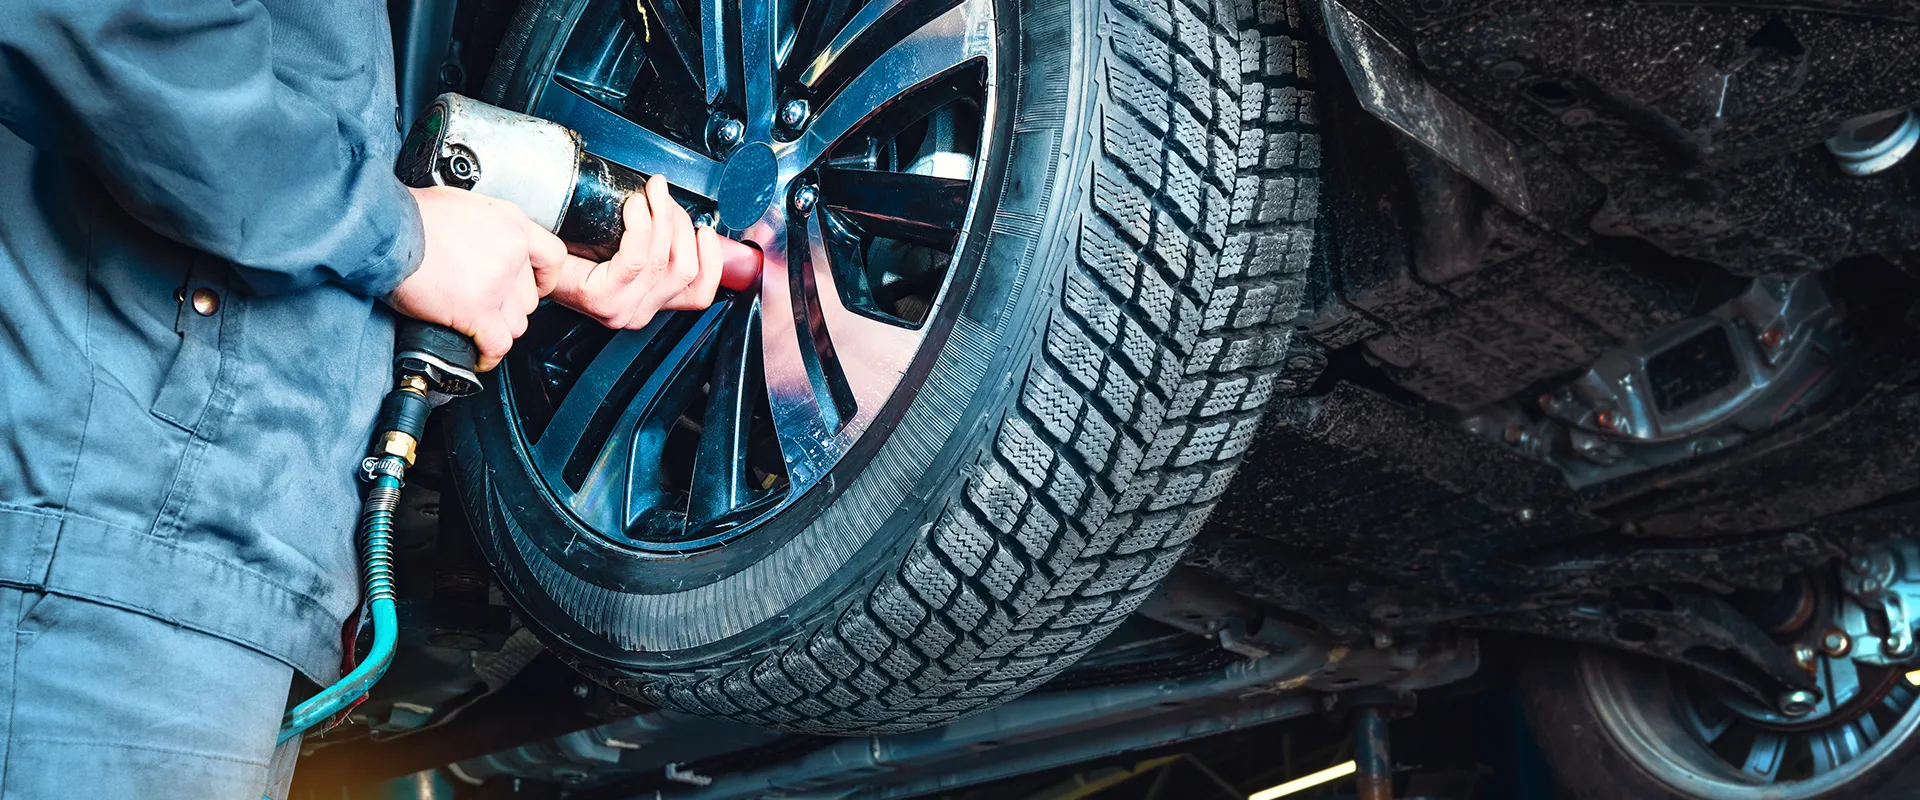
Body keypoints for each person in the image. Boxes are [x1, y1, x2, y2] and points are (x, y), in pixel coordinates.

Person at [0, 1, 758, 796]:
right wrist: (396, 236)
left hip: (236, 595)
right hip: (107, 555)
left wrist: (522, 262)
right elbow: (100, 21)